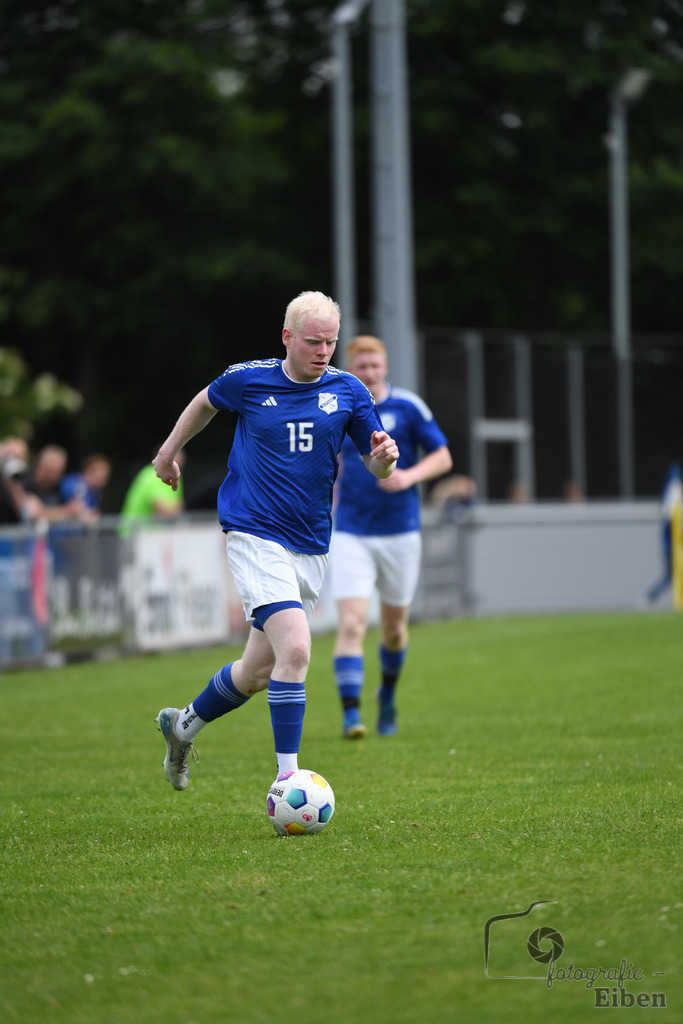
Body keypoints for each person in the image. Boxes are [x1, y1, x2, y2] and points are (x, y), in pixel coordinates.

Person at [152, 291, 399, 791]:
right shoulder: (249, 379)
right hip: (254, 532)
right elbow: (205, 401)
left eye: (331, 341)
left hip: (311, 543)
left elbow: (375, 464)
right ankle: (289, 781)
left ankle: (181, 727)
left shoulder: (349, 391)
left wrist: (385, 457)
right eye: (313, 341)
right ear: (288, 337)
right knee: (299, 650)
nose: (323, 350)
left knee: (255, 673)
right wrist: (168, 451)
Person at [329, 334, 453, 739]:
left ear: (385, 367)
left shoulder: (408, 405)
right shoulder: (338, 404)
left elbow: (443, 456)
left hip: (400, 531)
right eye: (360, 366)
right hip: (351, 530)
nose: (368, 373)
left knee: (395, 629)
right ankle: (351, 714)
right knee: (351, 623)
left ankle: (388, 695)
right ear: (350, 369)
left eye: (374, 366)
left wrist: (410, 477)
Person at [644, 461, 683, 605]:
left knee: (670, 576)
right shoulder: (672, 498)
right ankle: (649, 597)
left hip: (674, 546)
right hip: (671, 547)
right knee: (670, 576)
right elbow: (668, 516)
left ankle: (649, 597)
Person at [120, 450, 185, 529]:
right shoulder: (151, 475)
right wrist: (175, 510)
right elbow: (163, 513)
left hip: (152, 535)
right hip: (133, 534)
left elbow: (178, 507)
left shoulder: (176, 477)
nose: (176, 468)